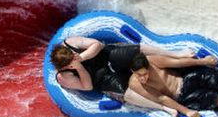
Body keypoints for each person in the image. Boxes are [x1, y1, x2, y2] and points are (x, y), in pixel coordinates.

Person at [50, 36, 194, 101]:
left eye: (75, 54)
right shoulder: (63, 76)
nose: (75, 55)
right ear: (67, 66)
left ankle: (177, 55)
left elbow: (97, 44)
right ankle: (165, 106)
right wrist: (79, 68)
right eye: (73, 58)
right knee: (126, 93)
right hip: (100, 79)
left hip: (107, 56)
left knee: (136, 50)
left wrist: (82, 57)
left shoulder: (69, 43)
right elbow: (87, 87)